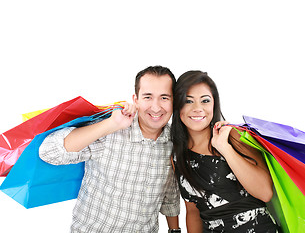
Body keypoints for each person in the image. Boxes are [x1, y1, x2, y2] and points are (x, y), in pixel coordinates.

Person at [39, 66, 181, 233]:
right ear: (136, 100)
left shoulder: (174, 141)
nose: (156, 107)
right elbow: (48, 152)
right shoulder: (112, 129)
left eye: (164, 97)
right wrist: (111, 125)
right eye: (148, 97)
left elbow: (170, 194)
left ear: (174, 101)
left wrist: (174, 230)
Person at [171, 71, 278, 232]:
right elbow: (193, 212)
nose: (197, 108)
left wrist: (224, 148)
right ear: (177, 105)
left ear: (214, 104)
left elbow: (265, 193)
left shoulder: (233, 136)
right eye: (188, 101)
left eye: (205, 100)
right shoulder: (177, 157)